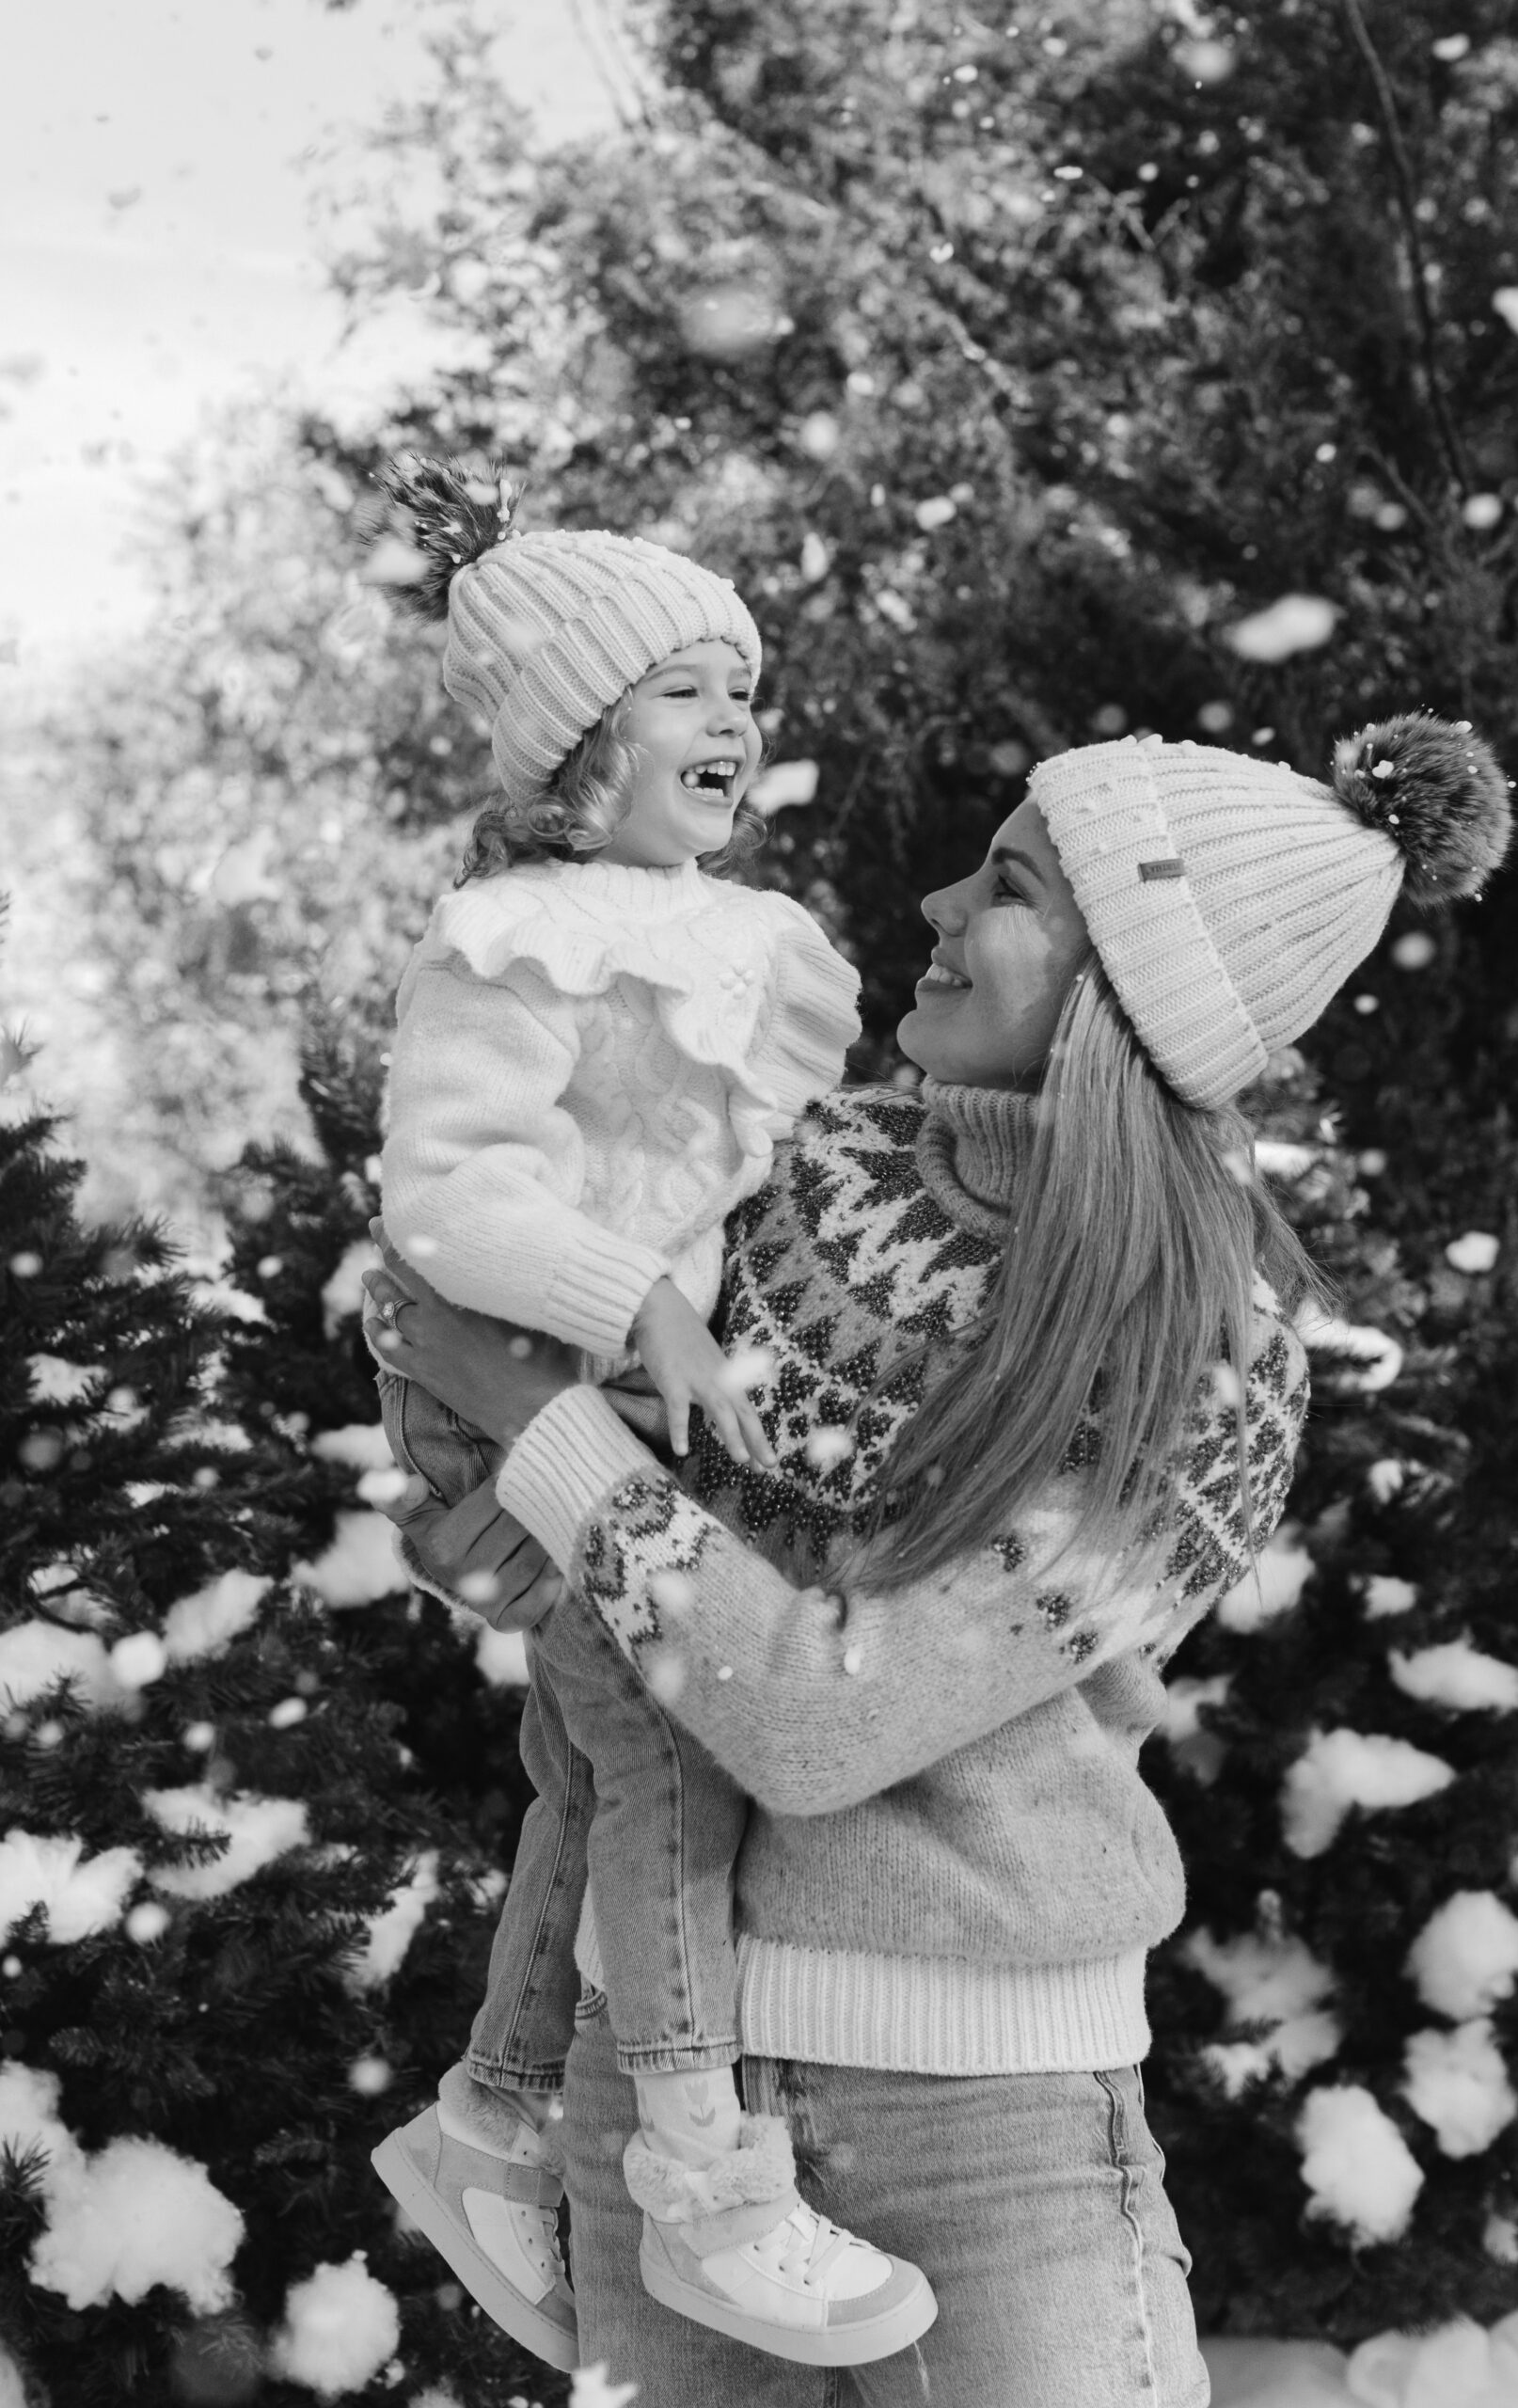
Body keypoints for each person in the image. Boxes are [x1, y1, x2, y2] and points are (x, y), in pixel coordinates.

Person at [364, 709, 1511, 2403]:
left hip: (1002, 2139)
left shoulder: (1212, 1361)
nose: (929, 903)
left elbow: (826, 1715)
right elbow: (597, 1501)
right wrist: (489, 1508)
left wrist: (552, 1447)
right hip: (659, 2101)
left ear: (1135, 988)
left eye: (1010, 886)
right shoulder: (793, 1170)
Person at [365, 457, 936, 2372]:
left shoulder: (748, 936)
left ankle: (498, 2107)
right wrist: (640, 1301)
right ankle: (705, 2171)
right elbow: (448, 1201)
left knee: (597, 1761)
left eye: (742, 685)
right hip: (511, 1388)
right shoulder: (507, 942)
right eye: (687, 686)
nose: (737, 717)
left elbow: (755, 1173)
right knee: (674, 1753)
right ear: (580, 740)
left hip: (642, 1403)